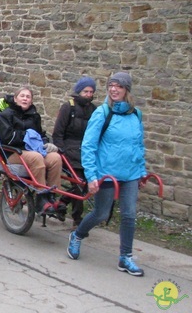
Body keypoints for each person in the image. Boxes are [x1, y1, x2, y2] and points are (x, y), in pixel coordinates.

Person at [67, 72, 148, 277]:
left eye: (118, 86)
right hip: (107, 173)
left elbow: (138, 145)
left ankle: (125, 257)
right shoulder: (103, 113)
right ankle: (77, 235)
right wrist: (92, 176)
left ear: (126, 90)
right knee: (101, 214)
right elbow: (89, 145)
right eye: (111, 85)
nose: (114, 89)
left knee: (129, 214)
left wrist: (141, 171)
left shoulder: (135, 114)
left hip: (130, 173)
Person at [0, 86, 64, 216]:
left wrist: (46, 143)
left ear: (31, 101)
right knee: (36, 157)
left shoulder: (34, 116)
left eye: (28, 97)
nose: (25, 99)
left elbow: (40, 135)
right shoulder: (6, 115)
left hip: (34, 151)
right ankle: (41, 197)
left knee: (55, 158)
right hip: (13, 153)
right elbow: (6, 138)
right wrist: (26, 136)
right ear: (15, 98)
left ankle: (51, 196)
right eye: (22, 96)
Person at [52, 77, 97, 228]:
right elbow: (58, 133)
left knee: (85, 183)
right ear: (79, 92)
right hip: (69, 149)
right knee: (79, 183)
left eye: (91, 92)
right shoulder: (68, 108)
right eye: (86, 91)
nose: (89, 94)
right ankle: (77, 219)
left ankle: (63, 202)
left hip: (86, 150)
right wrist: (62, 150)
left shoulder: (94, 110)